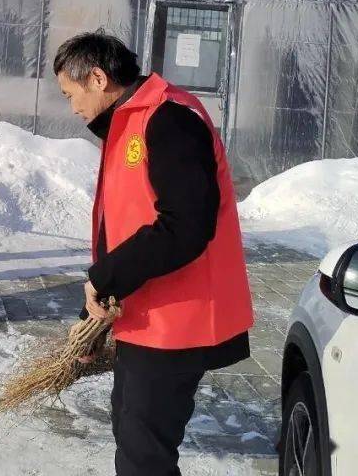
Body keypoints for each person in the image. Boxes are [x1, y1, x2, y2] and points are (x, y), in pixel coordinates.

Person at [53, 32, 253, 476]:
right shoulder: (131, 120)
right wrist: (96, 313)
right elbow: (126, 223)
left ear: (98, 78)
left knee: (144, 457)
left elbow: (185, 226)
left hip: (177, 322)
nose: (72, 108)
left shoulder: (169, 119)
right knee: (133, 436)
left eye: (71, 94)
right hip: (145, 317)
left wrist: (105, 278)